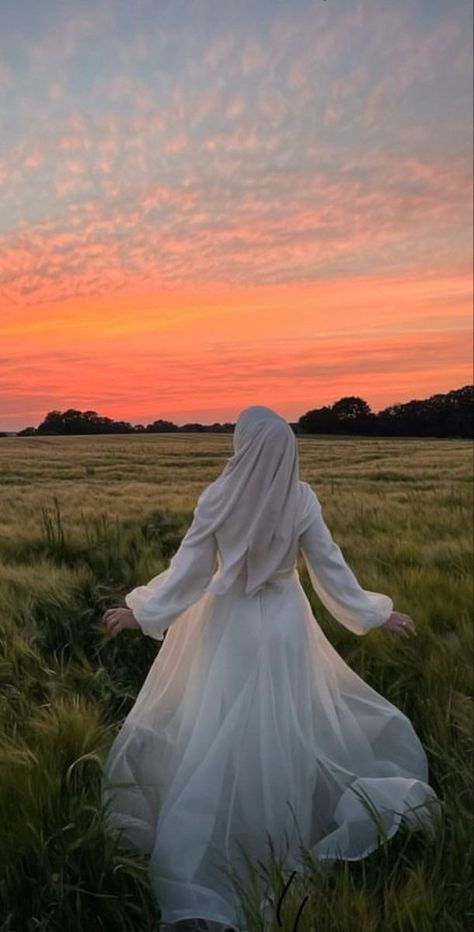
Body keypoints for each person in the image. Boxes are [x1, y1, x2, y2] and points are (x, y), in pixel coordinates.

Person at [101, 405, 441, 932]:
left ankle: (218, 834)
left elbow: (189, 572)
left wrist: (141, 611)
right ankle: (281, 829)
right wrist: (375, 613)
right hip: (284, 626)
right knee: (284, 722)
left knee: (217, 726)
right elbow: (331, 568)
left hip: (227, 626)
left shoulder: (217, 497)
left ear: (243, 445)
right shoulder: (300, 498)